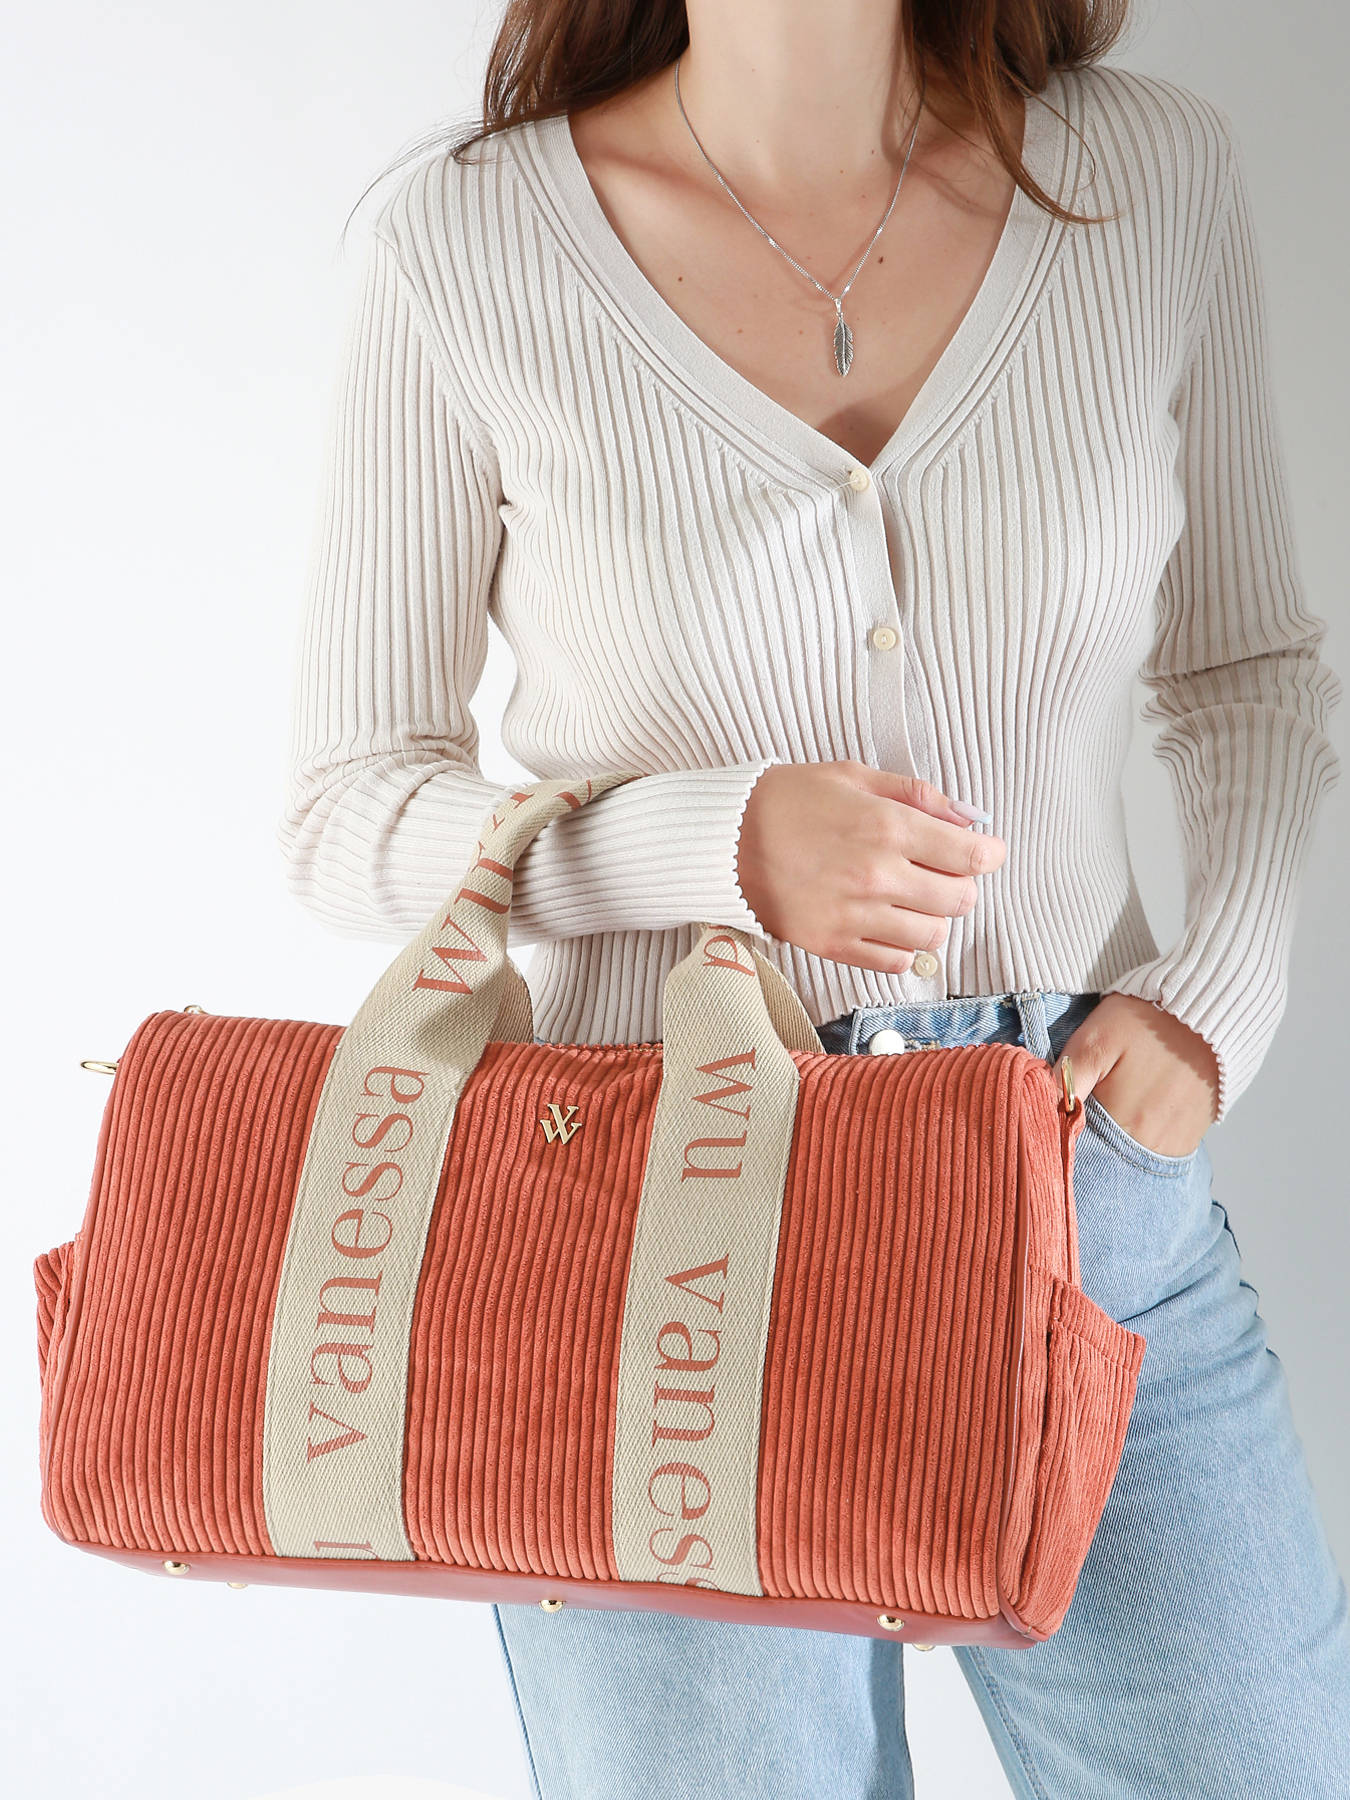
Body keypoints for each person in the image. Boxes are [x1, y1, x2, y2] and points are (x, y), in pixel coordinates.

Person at [277, 1, 1350, 1793]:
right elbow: (344, 809)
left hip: (1083, 1200)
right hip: (643, 1247)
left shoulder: (1149, 176)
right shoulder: (460, 247)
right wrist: (711, 845)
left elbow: (1245, 670)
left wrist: (1207, 1007)